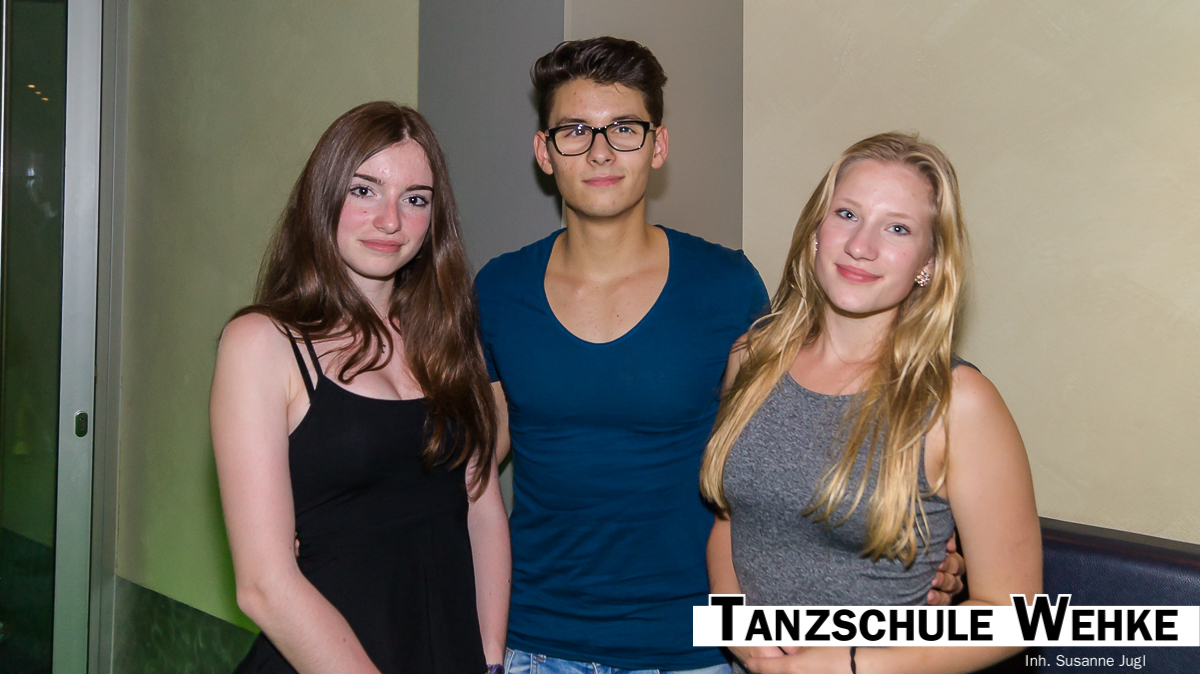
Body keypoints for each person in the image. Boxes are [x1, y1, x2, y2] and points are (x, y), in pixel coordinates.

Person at [477, 39, 964, 674]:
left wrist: (921, 555)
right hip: (536, 643)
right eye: (574, 131)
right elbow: (470, 469)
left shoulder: (727, 286)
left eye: (624, 128)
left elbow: (793, 449)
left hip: (700, 646)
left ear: (658, 146)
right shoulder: (499, 289)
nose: (600, 151)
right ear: (544, 152)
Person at [701, 132, 1041, 674]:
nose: (861, 245)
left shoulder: (958, 403)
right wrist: (736, 626)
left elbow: (1015, 616)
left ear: (929, 261)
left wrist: (850, 662)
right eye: (847, 214)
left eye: (897, 228)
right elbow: (731, 522)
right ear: (816, 230)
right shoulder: (752, 358)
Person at [210, 102, 509, 674]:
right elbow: (264, 586)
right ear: (322, 197)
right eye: (364, 190)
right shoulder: (262, 343)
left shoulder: (449, 336)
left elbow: (483, 511)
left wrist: (490, 658)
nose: (390, 220)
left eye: (415, 199)